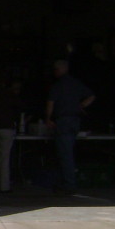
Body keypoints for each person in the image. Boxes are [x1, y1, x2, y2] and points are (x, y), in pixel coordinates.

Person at [45, 59, 95, 194]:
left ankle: (69, 184)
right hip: (74, 121)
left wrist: (48, 118)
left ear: (61, 69)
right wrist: (81, 106)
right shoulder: (76, 83)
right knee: (67, 152)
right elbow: (91, 96)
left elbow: (51, 103)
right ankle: (67, 182)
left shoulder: (58, 86)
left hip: (63, 121)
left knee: (65, 154)